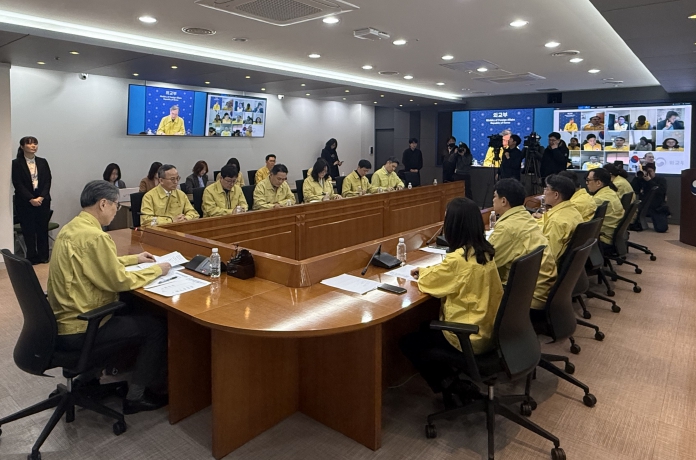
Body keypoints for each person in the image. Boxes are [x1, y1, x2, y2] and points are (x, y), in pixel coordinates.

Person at [48, 180, 171, 414]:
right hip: (82, 325)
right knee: (156, 327)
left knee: (128, 305)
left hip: (64, 319)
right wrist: (157, 270)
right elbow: (118, 281)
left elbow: (99, 263)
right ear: (103, 204)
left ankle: (89, 377)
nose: (116, 210)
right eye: (116, 205)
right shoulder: (96, 237)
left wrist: (134, 259)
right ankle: (136, 396)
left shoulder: (71, 228)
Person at [399, 197, 503, 400]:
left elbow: (430, 283)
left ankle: (452, 385)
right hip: (490, 332)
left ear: (454, 226)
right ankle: (451, 381)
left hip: (468, 337)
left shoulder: (458, 260)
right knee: (424, 327)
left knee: (408, 342)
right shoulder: (485, 252)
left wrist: (422, 272)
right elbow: (450, 274)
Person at [488, 179, 556, 310]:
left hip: (527, 297)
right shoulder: (525, 217)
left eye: (495, 196)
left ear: (504, 201)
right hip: (540, 289)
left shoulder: (507, 227)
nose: (493, 200)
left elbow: (486, 262)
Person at [11, 136, 52, 265]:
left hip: (42, 200)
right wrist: (30, 198)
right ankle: (32, 257)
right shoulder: (16, 163)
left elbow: (48, 181)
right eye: (29, 144)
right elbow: (18, 184)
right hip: (25, 202)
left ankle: (43, 256)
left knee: (42, 229)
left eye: (35, 143)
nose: (33, 146)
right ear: (22, 146)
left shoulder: (42, 162)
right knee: (28, 230)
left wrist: (41, 197)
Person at [532, 175, 583, 261]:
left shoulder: (556, 221)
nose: (544, 192)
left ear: (556, 195)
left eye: (547, 189)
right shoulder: (574, 212)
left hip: (547, 265)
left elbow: (548, 256)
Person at [585, 168, 624, 247]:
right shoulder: (610, 192)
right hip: (610, 235)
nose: (586, 183)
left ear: (598, 183)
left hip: (603, 239)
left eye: (588, 180)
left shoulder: (599, 199)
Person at [636, 163, 669, 233]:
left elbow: (661, 191)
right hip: (643, 206)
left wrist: (649, 181)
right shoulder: (642, 180)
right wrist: (637, 178)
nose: (648, 174)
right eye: (646, 172)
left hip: (657, 207)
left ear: (654, 171)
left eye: (650, 171)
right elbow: (634, 189)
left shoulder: (661, 180)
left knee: (662, 228)